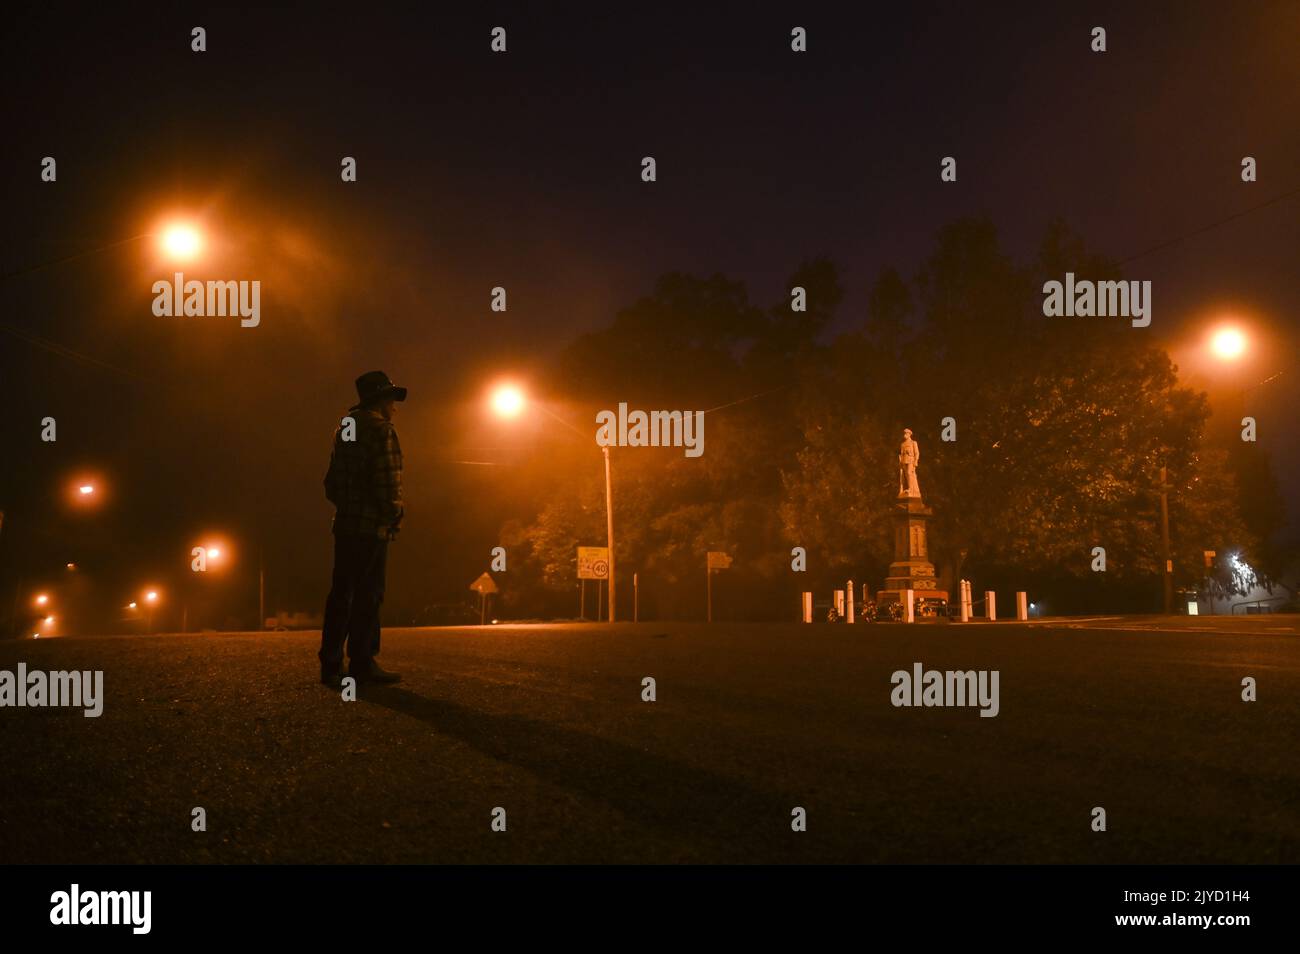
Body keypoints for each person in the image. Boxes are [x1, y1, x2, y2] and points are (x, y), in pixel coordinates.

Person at [318, 371, 407, 687]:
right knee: (369, 593)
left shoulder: (345, 429)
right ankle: (362, 661)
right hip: (372, 528)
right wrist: (394, 513)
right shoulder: (381, 431)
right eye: (391, 400)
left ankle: (330, 663)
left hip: (345, 525)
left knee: (341, 593)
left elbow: (331, 484)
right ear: (381, 401)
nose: (394, 407)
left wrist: (349, 506)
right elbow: (388, 483)